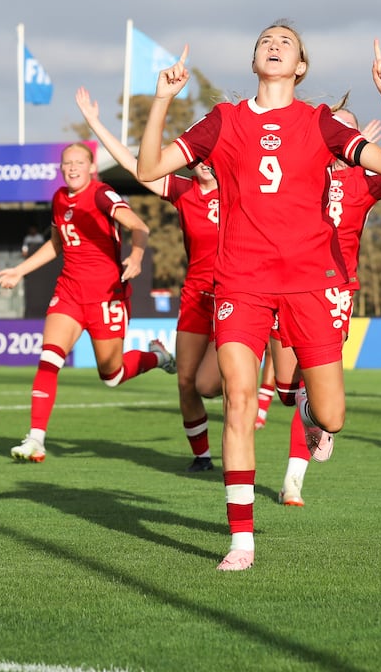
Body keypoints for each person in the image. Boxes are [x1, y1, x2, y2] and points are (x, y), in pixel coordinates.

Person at [136, 22, 381, 571]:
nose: (275, 45)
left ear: (301, 66)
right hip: (241, 281)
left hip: (312, 283)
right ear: (255, 59)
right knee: (237, 400)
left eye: (287, 41)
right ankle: (241, 541)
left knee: (332, 416)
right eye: (266, 39)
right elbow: (147, 169)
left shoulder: (320, 120)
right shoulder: (225, 119)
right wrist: (162, 101)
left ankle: (309, 408)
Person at [75, 86, 278, 473]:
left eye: (209, 155)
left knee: (210, 383)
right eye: (197, 156)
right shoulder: (182, 192)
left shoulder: (241, 192)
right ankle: (202, 457)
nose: (203, 161)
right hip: (196, 297)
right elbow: (138, 166)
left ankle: (251, 375)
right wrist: (96, 123)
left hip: (235, 295)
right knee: (186, 382)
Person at [277, 101, 381, 507]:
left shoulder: (365, 181)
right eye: (331, 126)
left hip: (334, 292)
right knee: (285, 389)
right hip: (286, 287)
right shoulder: (300, 174)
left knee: (312, 389)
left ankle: (292, 481)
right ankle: (308, 407)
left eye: (345, 128)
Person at [0, 138, 175, 464]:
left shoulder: (102, 194)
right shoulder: (59, 198)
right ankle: (36, 438)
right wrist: (19, 271)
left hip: (107, 295)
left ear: (92, 167)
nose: (73, 168)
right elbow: (55, 245)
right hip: (70, 293)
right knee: (49, 359)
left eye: (79, 162)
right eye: (68, 163)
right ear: (61, 169)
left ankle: (158, 357)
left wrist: (135, 256)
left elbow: (139, 226)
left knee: (112, 375)